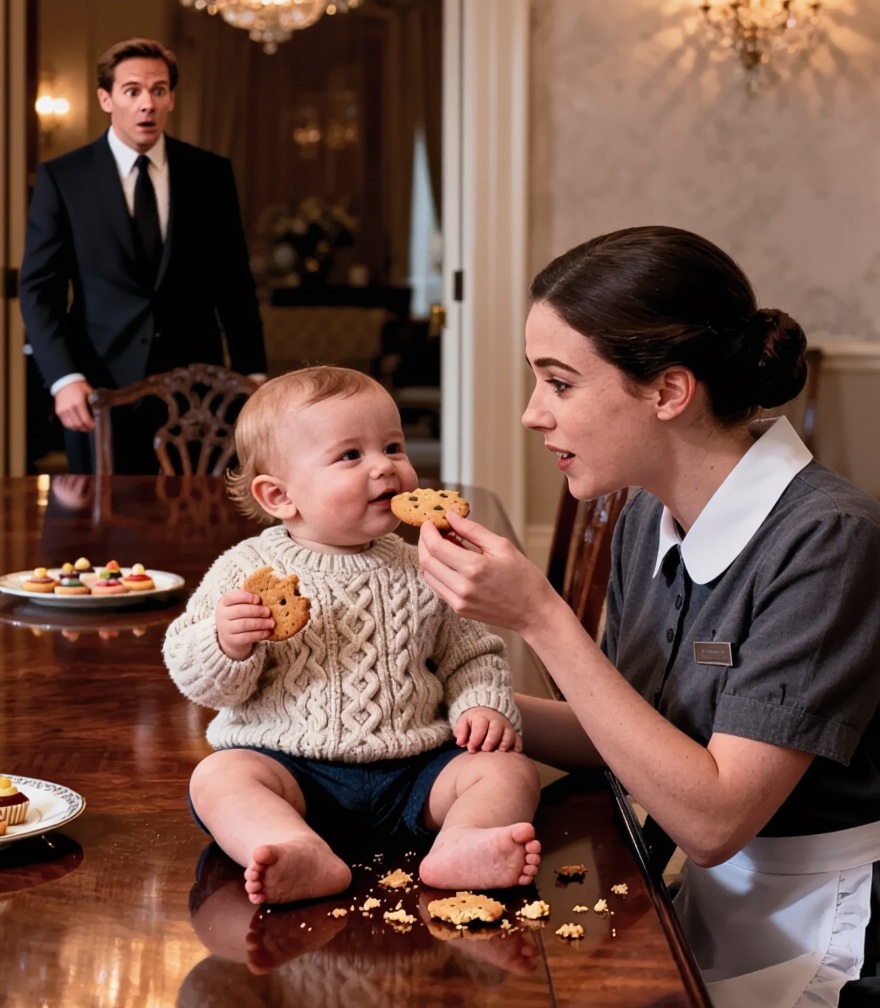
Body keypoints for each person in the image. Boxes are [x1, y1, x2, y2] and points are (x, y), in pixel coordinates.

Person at [416, 225, 880, 1008]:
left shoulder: (829, 539)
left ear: (669, 391)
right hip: (692, 899)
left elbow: (714, 819)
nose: (533, 414)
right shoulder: (645, 515)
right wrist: (426, 707)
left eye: (559, 383)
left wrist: (540, 616)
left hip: (822, 931)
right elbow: (622, 732)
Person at [163, 366, 541, 907]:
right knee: (219, 777)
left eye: (393, 446)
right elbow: (198, 679)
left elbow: (471, 655)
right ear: (278, 495)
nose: (385, 466)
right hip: (292, 774)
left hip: (415, 771)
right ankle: (292, 846)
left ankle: (461, 844)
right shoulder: (246, 569)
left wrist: (483, 705)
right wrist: (226, 644)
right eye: (351, 456)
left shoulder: (427, 563)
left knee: (508, 771)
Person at [19, 37, 267, 474]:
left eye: (158, 90)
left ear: (171, 97)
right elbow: (40, 290)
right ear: (106, 98)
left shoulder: (210, 174)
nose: (146, 104)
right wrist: (63, 378)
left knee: (197, 523)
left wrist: (254, 375)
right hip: (98, 389)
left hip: (199, 394)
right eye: (132, 90)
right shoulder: (63, 178)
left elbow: (234, 284)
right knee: (102, 527)